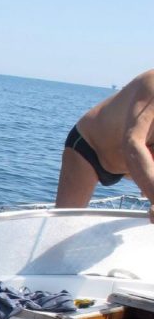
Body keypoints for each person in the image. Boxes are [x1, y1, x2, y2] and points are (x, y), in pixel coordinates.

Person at [55, 69, 154, 220]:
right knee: (63, 224)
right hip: (89, 149)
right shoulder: (152, 82)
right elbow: (133, 143)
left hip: (130, 164)